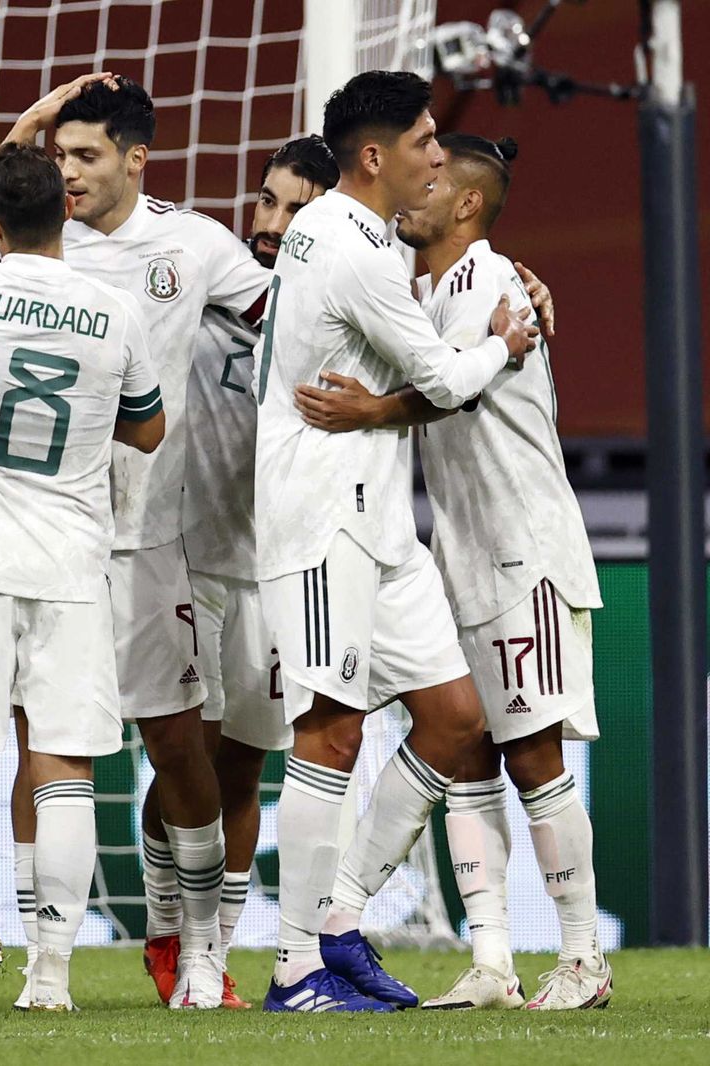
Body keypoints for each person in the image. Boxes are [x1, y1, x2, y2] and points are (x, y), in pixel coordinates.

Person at [294, 134, 610, 1011]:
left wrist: (365, 413)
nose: (416, 191)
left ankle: (583, 959)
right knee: (467, 751)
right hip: (460, 550)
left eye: (434, 182)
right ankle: (493, 962)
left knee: (534, 757)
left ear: (467, 202)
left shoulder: (492, 281)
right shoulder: (420, 282)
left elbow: (452, 386)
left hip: (524, 547)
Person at [252, 69, 540, 1013]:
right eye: (423, 140)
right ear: (375, 156)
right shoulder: (352, 251)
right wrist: (506, 338)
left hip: (379, 519)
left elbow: (408, 370)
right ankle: (295, 965)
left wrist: (399, 392)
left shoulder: (350, 235)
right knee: (329, 732)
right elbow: (452, 380)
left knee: (456, 722)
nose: (436, 154)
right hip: (324, 515)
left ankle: (335, 919)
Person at [1, 73, 273, 1009]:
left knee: (176, 742)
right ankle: (46, 966)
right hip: (50, 535)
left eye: (85, 155)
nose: (67, 173)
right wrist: (29, 124)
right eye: (58, 156)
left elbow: (303, 311)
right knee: (46, 747)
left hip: (155, 539)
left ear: (135, 158)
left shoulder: (194, 244)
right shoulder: (38, 244)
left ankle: (196, 947)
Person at [0, 141, 166, 1014]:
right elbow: (149, 431)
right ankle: (51, 976)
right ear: (66, 210)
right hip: (71, 564)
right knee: (62, 767)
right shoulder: (116, 308)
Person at [183, 135, 340, 1006]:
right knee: (188, 764)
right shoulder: (204, 293)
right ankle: (181, 942)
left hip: (279, 572)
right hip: (193, 560)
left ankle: (219, 950)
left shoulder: (342, 311)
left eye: (289, 208)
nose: (265, 223)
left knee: (245, 774)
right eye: (265, 201)